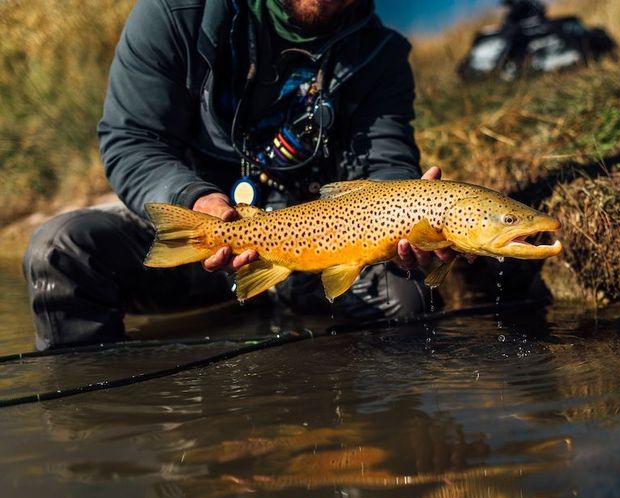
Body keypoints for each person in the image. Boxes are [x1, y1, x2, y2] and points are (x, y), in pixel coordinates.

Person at [23, 0, 453, 350]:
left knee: (411, 299)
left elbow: (386, 164)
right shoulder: (177, 13)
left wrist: (411, 211)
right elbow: (131, 139)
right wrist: (192, 198)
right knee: (61, 251)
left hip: (317, 248)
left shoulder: (381, 55)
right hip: (202, 241)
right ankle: (98, 425)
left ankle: (374, 436)